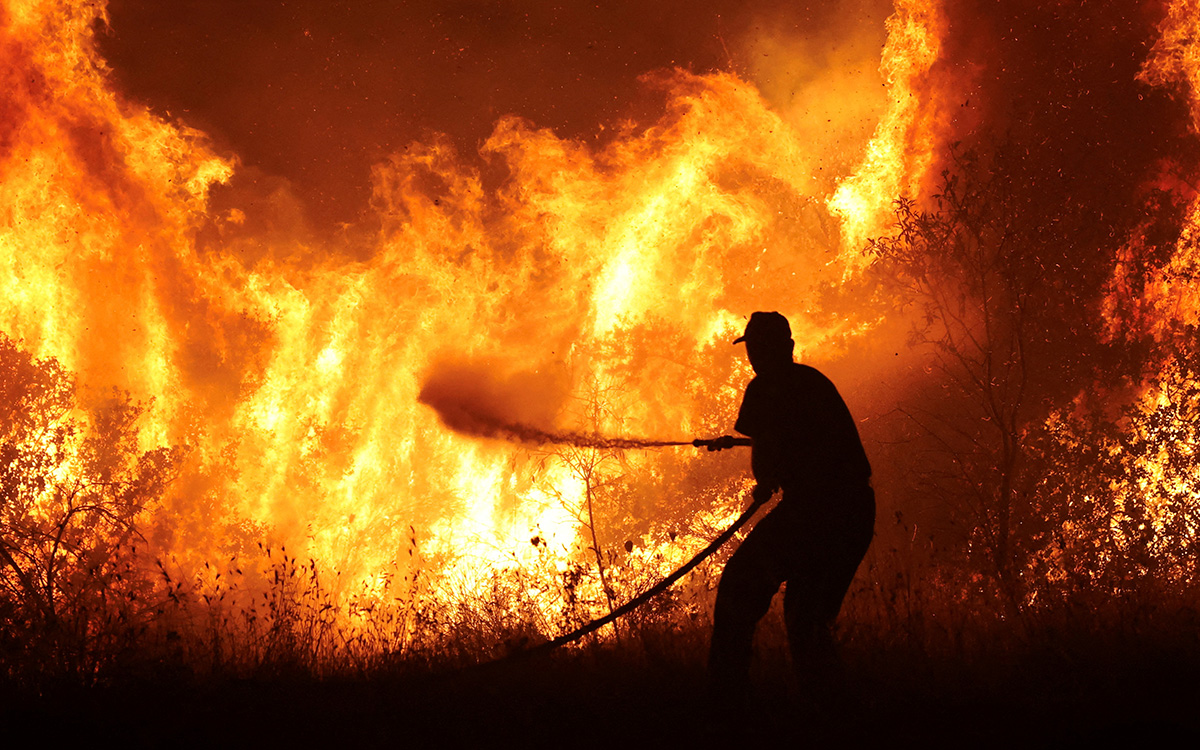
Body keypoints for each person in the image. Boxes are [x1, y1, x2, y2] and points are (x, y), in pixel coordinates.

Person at [708, 311, 875, 698]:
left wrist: (764, 480)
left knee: (738, 588)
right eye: (751, 347)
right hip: (854, 511)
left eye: (758, 347)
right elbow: (803, 437)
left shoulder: (765, 386)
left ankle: (725, 699)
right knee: (808, 619)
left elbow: (768, 459)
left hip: (815, 512)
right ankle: (827, 708)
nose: (753, 355)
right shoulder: (812, 381)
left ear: (784, 347)